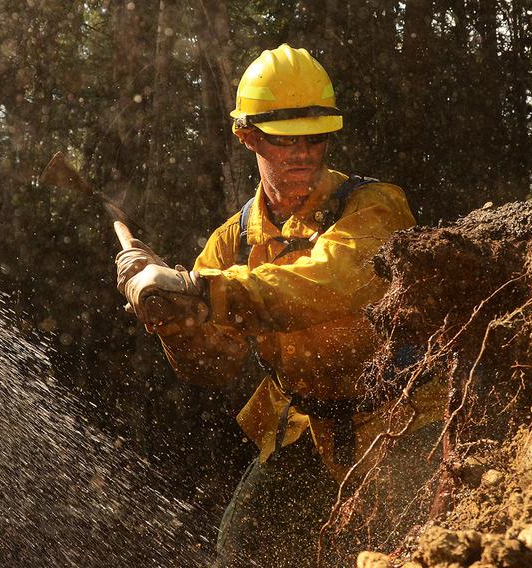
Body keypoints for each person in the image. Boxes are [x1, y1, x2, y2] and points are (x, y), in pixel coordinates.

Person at [116, 44, 446, 567]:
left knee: (421, 548)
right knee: (243, 551)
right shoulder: (229, 244)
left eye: (316, 138)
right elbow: (215, 369)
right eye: (285, 140)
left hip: (406, 419)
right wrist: (175, 321)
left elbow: (334, 280)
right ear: (248, 137)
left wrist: (201, 290)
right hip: (306, 427)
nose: (303, 154)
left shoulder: (374, 205)